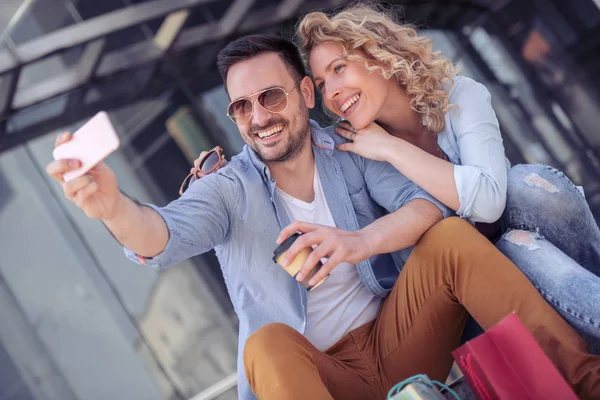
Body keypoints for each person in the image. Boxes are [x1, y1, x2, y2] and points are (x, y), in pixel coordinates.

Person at [46, 35, 600, 400]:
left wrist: (359, 241)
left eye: (270, 96)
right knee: (265, 345)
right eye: (242, 106)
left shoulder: (346, 148)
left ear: (306, 92)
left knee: (452, 237)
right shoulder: (227, 190)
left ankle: (585, 381)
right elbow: (161, 235)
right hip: (318, 380)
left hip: (398, 341)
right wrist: (113, 207)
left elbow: (427, 203)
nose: (259, 116)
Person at [295, 4, 600, 344]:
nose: (331, 93)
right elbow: (444, 225)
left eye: (339, 68)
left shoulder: (459, 95)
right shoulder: (361, 153)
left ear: (380, 56)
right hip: (471, 298)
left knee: (526, 191)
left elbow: (488, 204)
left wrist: (391, 148)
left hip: (540, 247)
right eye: (322, 84)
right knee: (514, 247)